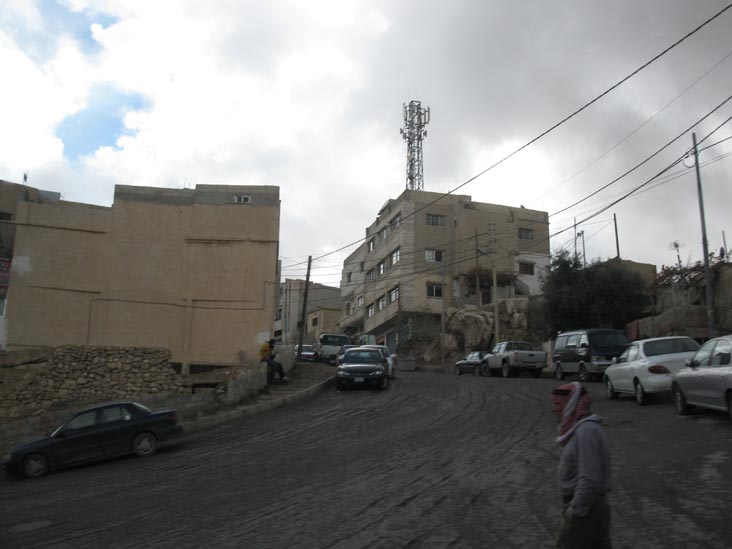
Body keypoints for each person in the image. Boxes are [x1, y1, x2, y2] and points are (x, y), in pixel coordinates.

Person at [551, 382, 612, 549]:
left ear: (570, 404)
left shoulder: (586, 432)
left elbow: (589, 479)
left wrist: (574, 511)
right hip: (588, 508)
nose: (555, 409)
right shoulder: (582, 430)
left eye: (558, 404)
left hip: (587, 510)